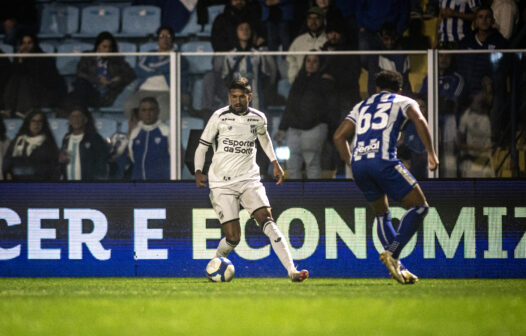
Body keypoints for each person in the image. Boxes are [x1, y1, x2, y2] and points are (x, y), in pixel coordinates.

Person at [194, 77, 309, 282]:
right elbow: (202, 146)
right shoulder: (219, 117)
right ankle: (216, 262)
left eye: (241, 97)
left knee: (267, 219)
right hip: (222, 183)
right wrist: (197, 170)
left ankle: (292, 270)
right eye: (233, 97)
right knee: (233, 238)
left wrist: (274, 161)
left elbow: (264, 138)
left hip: (249, 179)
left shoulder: (258, 118)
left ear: (249, 97)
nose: (237, 101)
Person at [333, 71, 439, 284]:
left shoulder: (361, 105)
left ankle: (398, 268)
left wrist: (352, 163)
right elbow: (418, 118)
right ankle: (393, 253)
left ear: (377, 89)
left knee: (382, 214)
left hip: (360, 163)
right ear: (399, 89)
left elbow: (338, 136)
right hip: (383, 161)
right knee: (420, 207)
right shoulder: (403, 100)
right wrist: (430, 151)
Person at [275, 54, 338, 179]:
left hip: (315, 127)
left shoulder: (325, 81)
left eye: (315, 61)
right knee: (292, 165)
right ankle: (295, 196)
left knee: (312, 163)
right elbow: (290, 105)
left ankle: (314, 197)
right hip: (294, 128)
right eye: (308, 61)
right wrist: (283, 128)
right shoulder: (299, 80)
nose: (311, 64)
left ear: (320, 64)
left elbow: (330, 107)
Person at [66, 31, 136, 109]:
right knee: (80, 83)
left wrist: (119, 78)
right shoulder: (88, 57)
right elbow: (80, 73)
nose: (107, 50)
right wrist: (98, 80)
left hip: (109, 92)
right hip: (91, 91)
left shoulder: (117, 59)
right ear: (98, 46)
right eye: (104, 47)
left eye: (110, 47)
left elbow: (131, 73)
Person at [3, 33, 66, 118]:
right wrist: (20, 59)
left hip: (44, 92)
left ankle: (22, 110)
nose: (26, 46)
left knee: (24, 79)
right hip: (26, 92)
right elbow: (15, 72)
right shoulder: (19, 58)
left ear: (35, 44)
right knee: (15, 78)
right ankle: (9, 108)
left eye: (29, 43)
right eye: (23, 43)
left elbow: (43, 78)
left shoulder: (44, 58)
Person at [124, 26, 176, 122]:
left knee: (164, 107)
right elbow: (138, 69)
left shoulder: (177, 55)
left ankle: (161, 134)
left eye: (168, 36)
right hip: (144, 90)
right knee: (130, 104)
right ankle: (135, 133)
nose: (164, 39)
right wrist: (158, 70)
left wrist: (150, 67)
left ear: (172, 38)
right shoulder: (150, 54)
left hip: (165, 91)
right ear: (158, 39)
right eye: (161, 36)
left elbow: (169, 66)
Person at [222, 21, 277, 111]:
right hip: (234, 103)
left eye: (247, 29)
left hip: (256, 102)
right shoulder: (230, 56)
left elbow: (266, 78)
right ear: (236, 32)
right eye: (241, 29)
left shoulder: (258, 55)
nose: (245, 31)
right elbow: (225, 78)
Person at [2, 110, 59, 180]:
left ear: (43, 124)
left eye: (39, 121)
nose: (36, 124)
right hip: (18, 184)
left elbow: (53, 168)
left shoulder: (49, 143)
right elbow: (8, 159)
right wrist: (8, 172)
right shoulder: (18, 140)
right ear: (28, 123)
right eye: (33, 121)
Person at [59, 106, 109, 180]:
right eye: (73, 116)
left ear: (85, 119)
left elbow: (101, 162)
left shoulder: (95, 138)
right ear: (69, 120)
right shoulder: (66, 138)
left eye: (79, 116)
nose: (75, 119)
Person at [128, 97, 170, 180]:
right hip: (138, 183)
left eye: (151, 110)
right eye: (144, 110)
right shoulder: (135, 132)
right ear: (139, 112)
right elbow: (133, 158)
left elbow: (177, 159)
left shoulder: (166, 131)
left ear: (158, 111)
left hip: (161, 184)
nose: (148, 114)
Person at [286, 6, 327, 83]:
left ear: (323, 20)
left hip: (321, 83)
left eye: (317, 18)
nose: (313, 21)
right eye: (310, 18)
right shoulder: (299, 41)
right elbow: (291, 59)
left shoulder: (327, 40)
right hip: (301, 81)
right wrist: (293, 77)